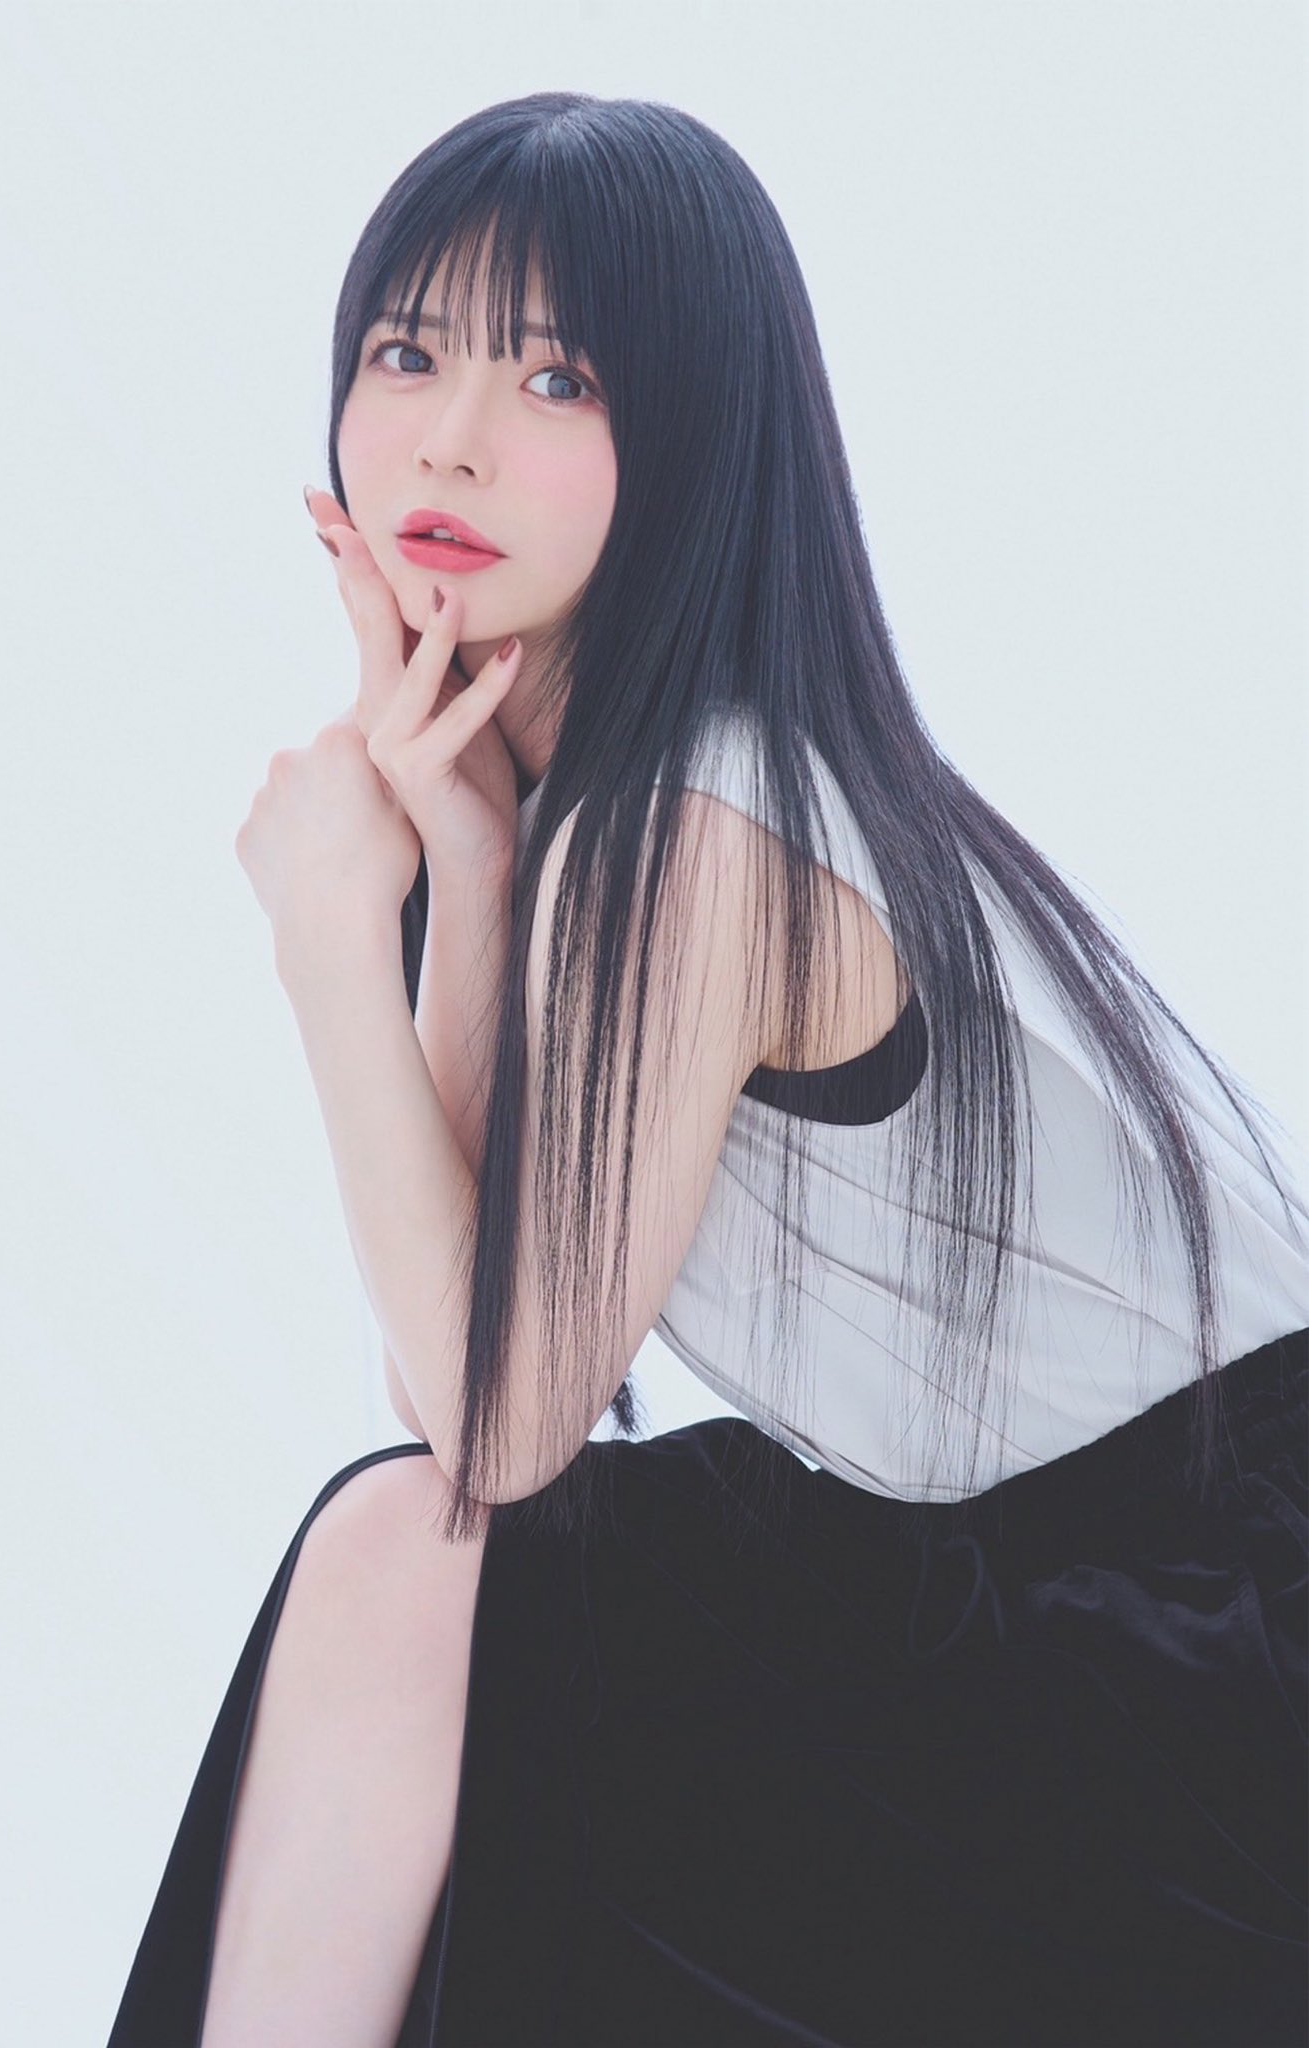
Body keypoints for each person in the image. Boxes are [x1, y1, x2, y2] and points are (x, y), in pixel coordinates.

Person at [105, 91, 1309, 2048]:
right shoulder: (604, 822)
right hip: (1073, 1595)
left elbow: (491, 1428)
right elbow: (455, 1391)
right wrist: (465, 864)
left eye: (555, 376)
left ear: (694, 442)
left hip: (1218, 1657)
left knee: (411, 1569)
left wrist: (332, 935)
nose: (451, 436)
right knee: (407, 1564)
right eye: (404, 353)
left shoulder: (691, 830)